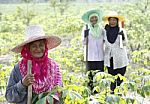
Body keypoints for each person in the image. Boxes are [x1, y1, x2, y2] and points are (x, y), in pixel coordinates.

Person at [5, 25, 62, 104]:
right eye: (34, 46)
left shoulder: (53, 67)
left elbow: (60, 94)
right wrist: (22, 84)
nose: (38, 49)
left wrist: (56, 94)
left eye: (41, 45)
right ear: (28, 49)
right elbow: (9, 96)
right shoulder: (19, 68)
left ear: (45, 47)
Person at [102, 11, 129, 94]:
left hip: (120, 58)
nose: (112, 22)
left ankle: (119, 94)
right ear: (108, 21)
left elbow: (125, 44)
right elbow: (101, 42)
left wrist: (123, 37)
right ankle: (112, 93)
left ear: (117, 21)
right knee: (111, 77)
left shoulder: (121, 30)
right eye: (111, 20)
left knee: (120, 77)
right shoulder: (104, 31)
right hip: (109, 58)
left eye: (114, 20)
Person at [81, 9, 106, 92]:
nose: (94, 19)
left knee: (99, 75)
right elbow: (84, 43)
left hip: (100, 56)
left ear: (98, 18)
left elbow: (106, 41)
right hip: (90, 56)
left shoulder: (102, 29)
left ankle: (99, 92)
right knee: (90, 76)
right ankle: (91, 92)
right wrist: (85, 35)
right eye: (92, 18)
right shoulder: (86, 28)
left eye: (95, 17)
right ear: (89, 19)